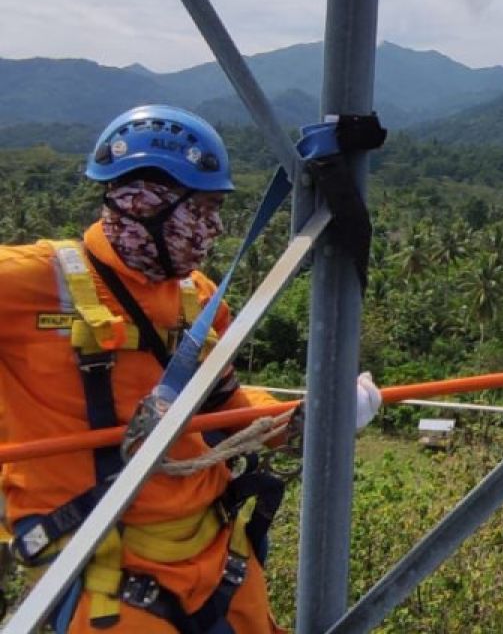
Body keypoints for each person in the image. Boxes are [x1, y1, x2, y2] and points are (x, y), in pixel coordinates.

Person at [0, 105, 381, 632]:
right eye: (199, 209)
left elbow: (229, 415)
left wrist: (313, 414)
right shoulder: (26, 283)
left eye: (216, 209)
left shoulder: (196, 299)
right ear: (140, 201)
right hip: (109, 573)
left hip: (219, 562)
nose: (212, 228)